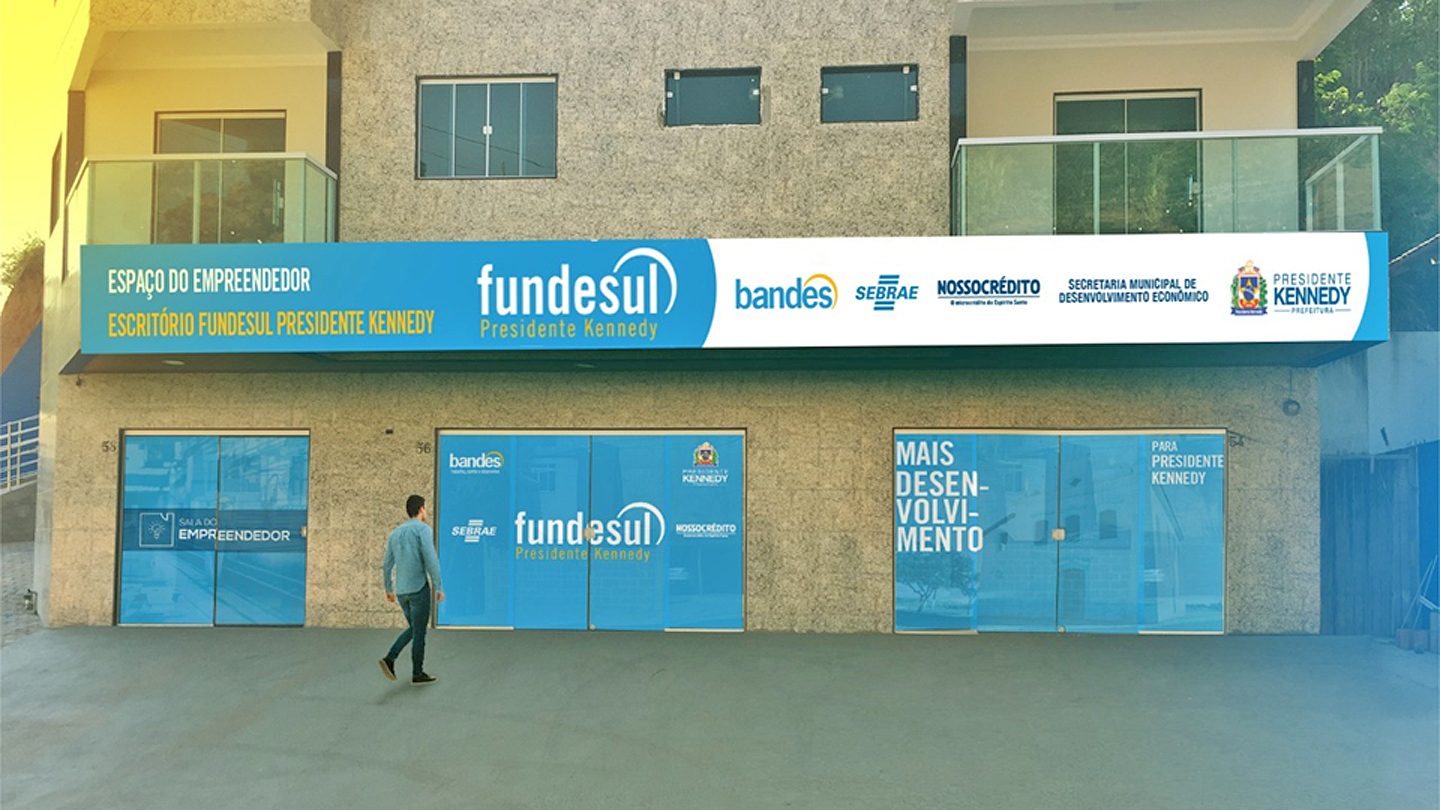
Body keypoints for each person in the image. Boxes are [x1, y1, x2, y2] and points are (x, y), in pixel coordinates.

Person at [380, 494, 444, 685]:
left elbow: (387, 564)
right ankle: (412, 670)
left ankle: (392, 660)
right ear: (421, 509)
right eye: (425, 507)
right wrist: (438, 585)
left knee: (415, 628)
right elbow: (431, 559)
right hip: (418, 589)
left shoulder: (395, 533)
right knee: (419, 632)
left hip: (401, 591)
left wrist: (388, 588)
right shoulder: (422, 530)